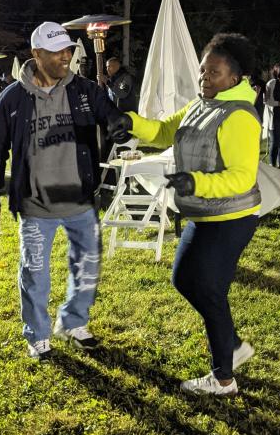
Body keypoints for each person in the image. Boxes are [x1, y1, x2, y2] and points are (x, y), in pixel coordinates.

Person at [110, 33, 261, 397]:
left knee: (209, 289)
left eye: (214, 73)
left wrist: (194, 182)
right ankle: (235, 347)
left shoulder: (240, 116)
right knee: (184, 279)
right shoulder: (199, 105)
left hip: (231, 217)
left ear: (235, 79)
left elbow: (242, 177)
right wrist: (132, 123)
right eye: (202, 71)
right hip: (203, 213)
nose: (205, 79)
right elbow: (164, 131)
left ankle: (223, 378)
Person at [0, 21, 127, 361]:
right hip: (36, 206)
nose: (65, 56)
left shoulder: (83, 90)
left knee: (86, 268)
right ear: (36, 54)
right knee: (34, 273)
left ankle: (73, 322)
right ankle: (38, 335)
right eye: (57, 51)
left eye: (68, 50)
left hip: (79, 201)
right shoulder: (13, 99)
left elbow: (109, 112)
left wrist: (119, 123)